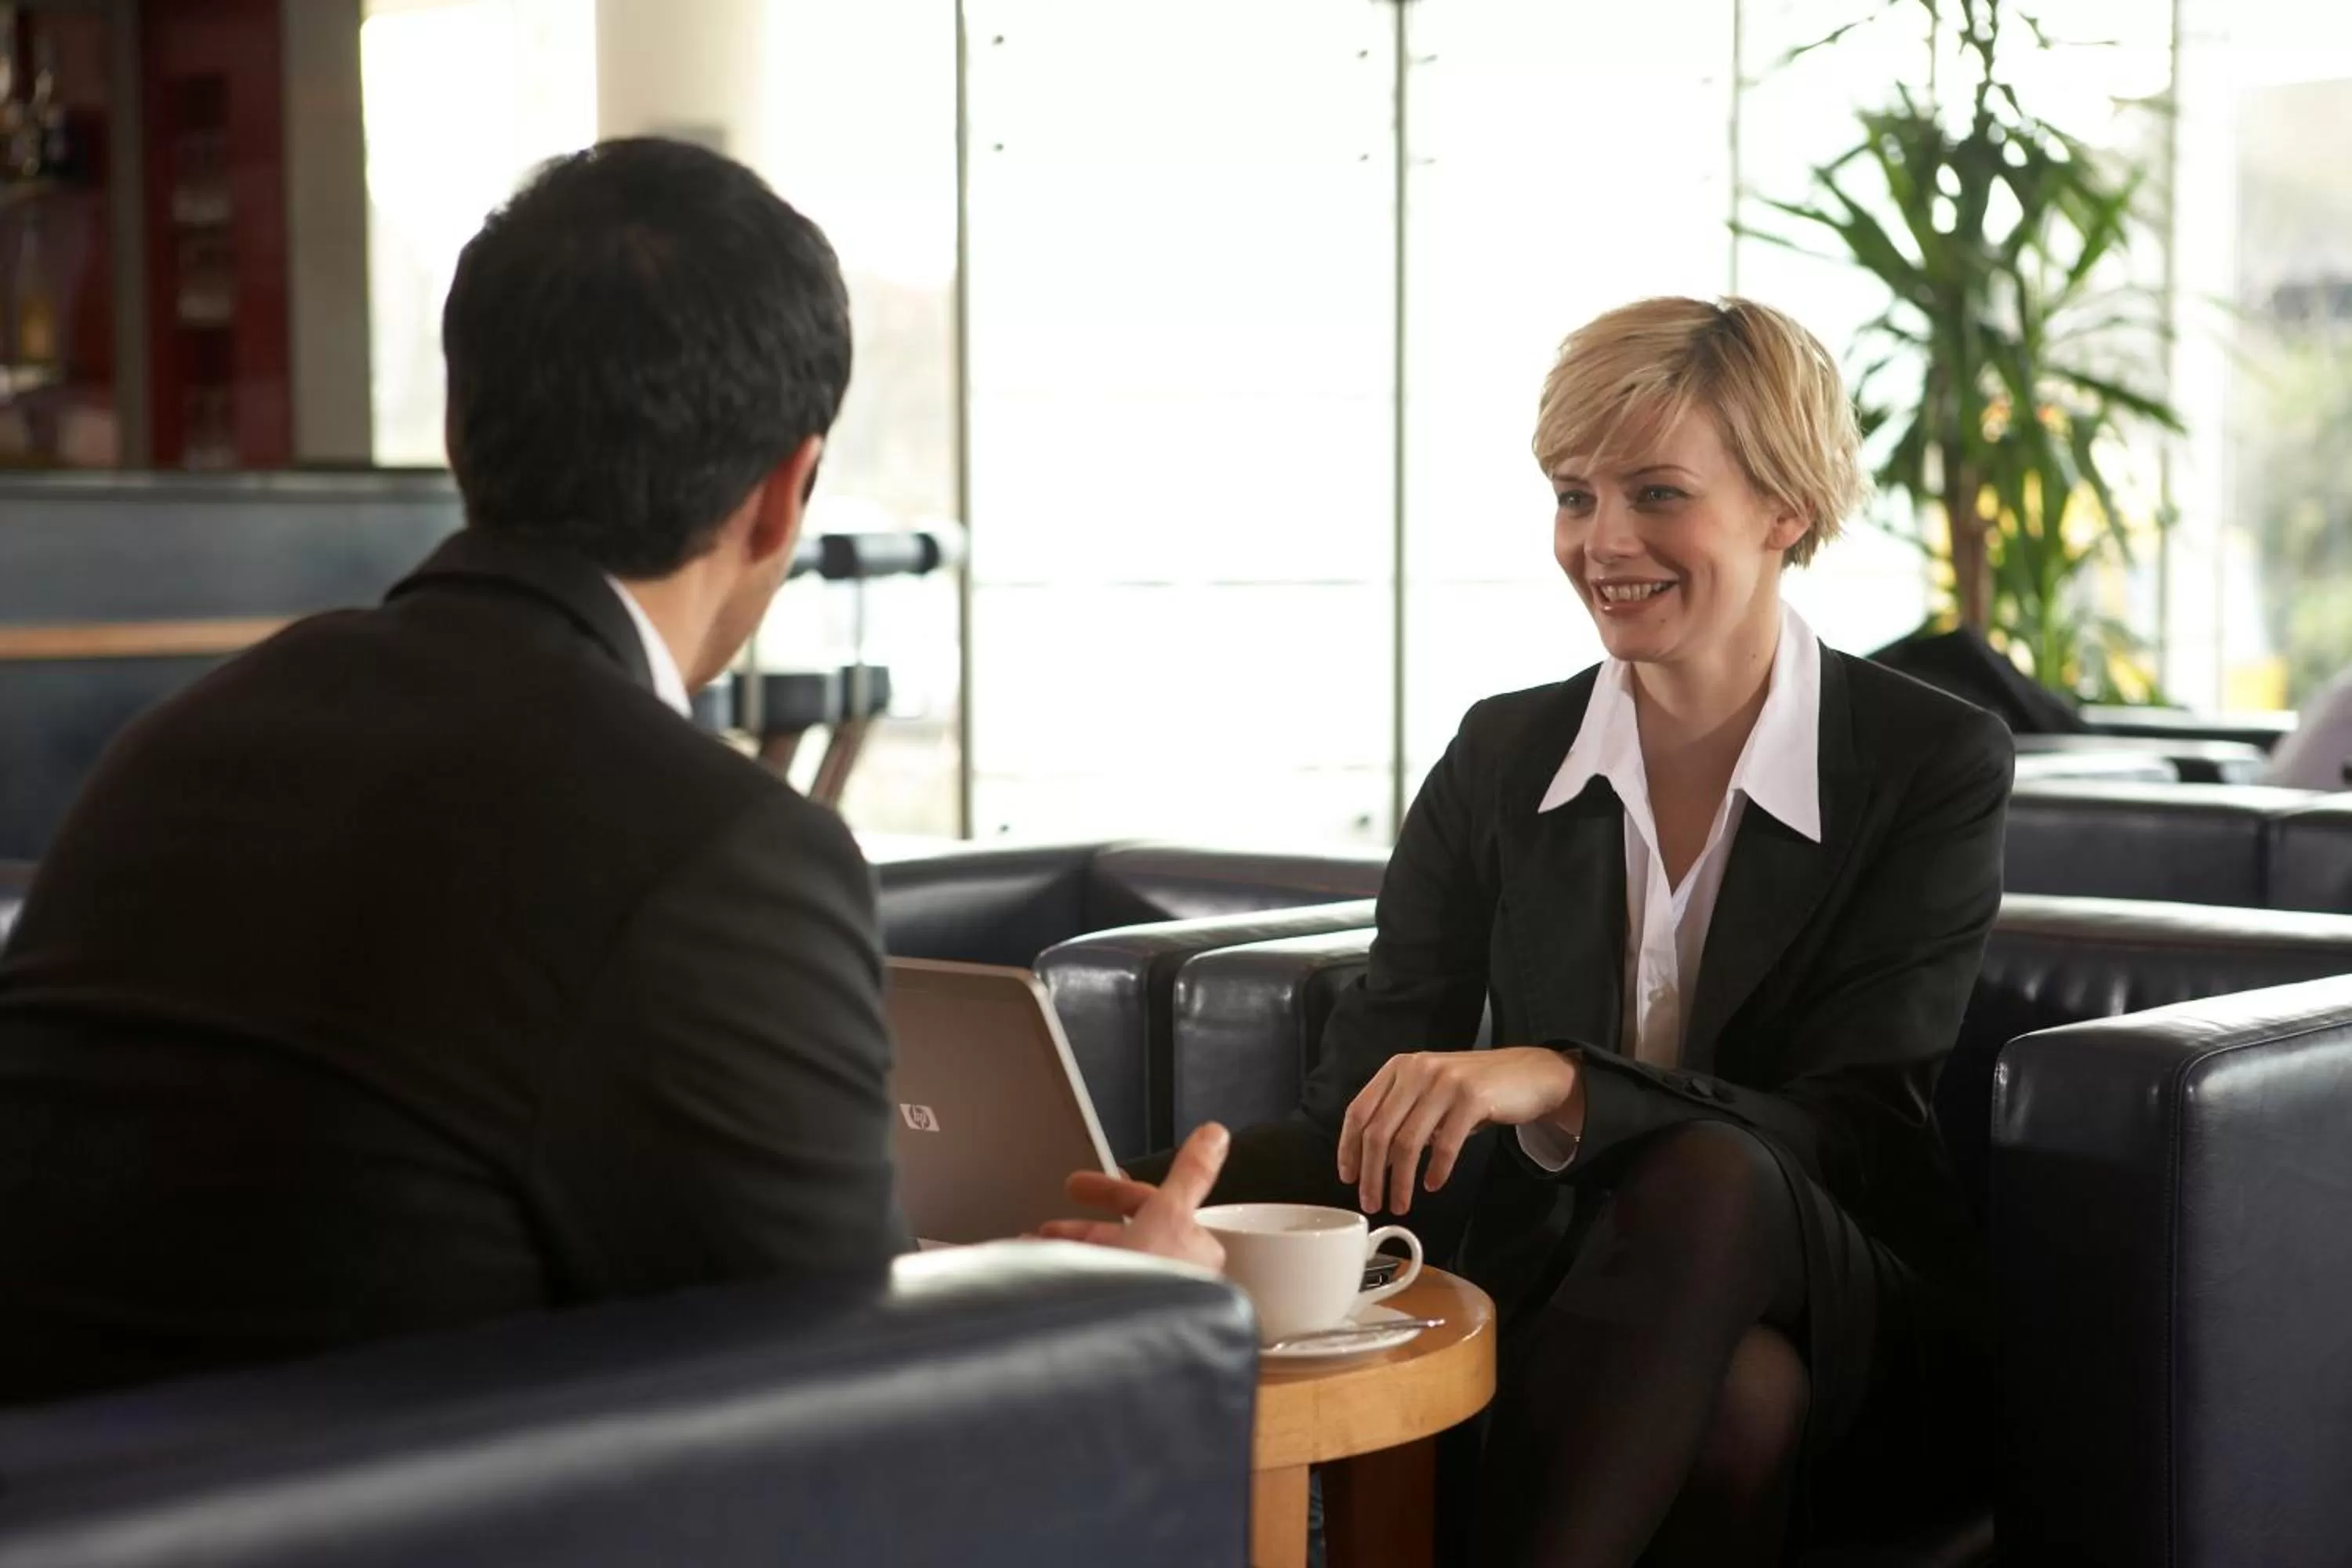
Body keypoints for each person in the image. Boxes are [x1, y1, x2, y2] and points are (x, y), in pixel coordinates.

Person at [0, 137, 1221, 1410]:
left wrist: (978, 1290)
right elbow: (845, 1441)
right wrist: (1123, 1318)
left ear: (462, 431)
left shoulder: (182, 743)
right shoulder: (721, 855)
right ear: (783, 497)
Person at [1161, 297, 2013, 1566]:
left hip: (1850, 1292)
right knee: (1735, 1406)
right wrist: (1179, 1187)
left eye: (1657, 495)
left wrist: (1562, 1080)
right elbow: (1364, 1121)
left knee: (1717, 1182)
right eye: (1574, 496)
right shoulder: (1505, 753)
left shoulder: (1928, 758)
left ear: (1785, 509)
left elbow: (1850, 1130)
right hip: (1584, 1302)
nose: (1602, 541)